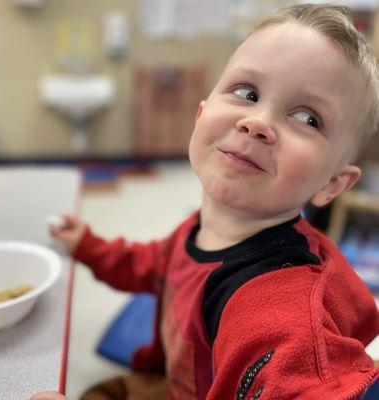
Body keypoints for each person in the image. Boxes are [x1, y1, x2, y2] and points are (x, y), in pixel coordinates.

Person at [32, 3, 379, 399]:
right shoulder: (201, 230)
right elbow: (154, 262)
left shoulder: (283, 316)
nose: (258, 122)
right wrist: (87, 246)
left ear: (333, 183)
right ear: (201, 116)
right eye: (247, 92)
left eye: (308, 119)